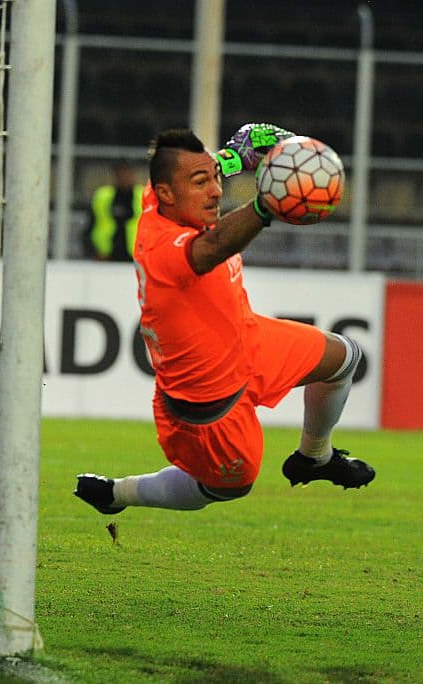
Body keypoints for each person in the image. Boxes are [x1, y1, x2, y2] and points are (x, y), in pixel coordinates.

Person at [74, 124, 375, 514]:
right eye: (201, 183)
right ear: (166, 194)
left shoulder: (160, 193)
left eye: (214, 178)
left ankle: (315, 457)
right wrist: (267, 204)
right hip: (210, 398)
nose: (216, 191)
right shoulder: (162, 245)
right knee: (230, 486)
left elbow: (205, 169)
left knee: (344, 358)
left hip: (248, 340)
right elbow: (211, 248)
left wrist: (236, 154)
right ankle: (119, 493)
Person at [85, 160, 144, 261]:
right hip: (106, 256)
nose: (123, 177)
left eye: (126, 173)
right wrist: (93, 251)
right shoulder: (103, 196)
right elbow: (91, 225)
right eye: (120, 173)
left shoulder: (143, 195)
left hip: (137, 256)